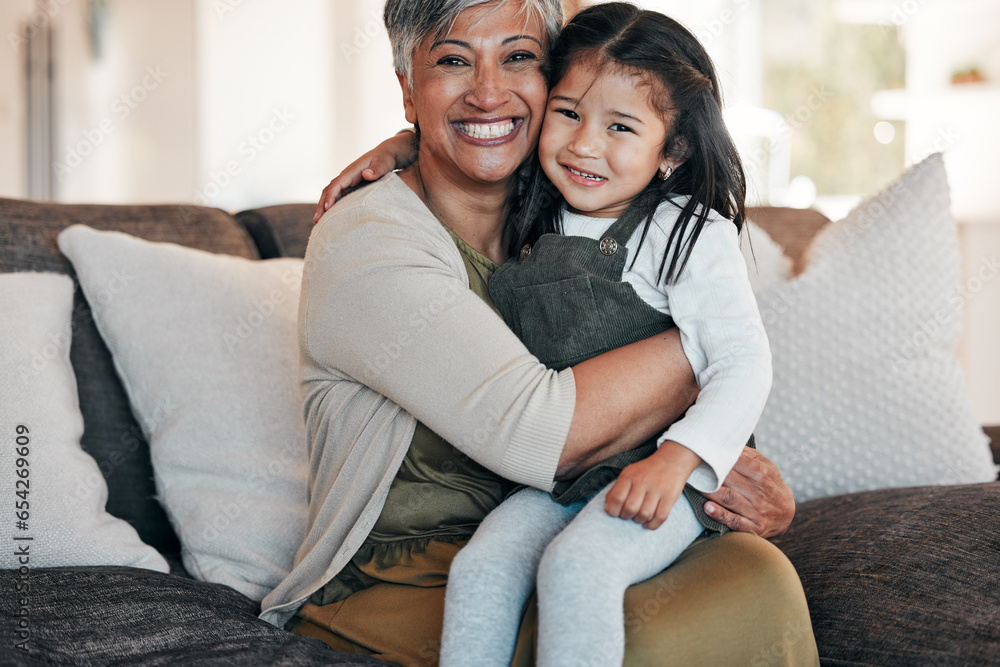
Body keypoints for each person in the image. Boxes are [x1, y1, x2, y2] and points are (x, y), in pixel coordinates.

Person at [269, 1, 818, 665]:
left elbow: (554, 115)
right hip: (398, 578)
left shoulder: (557, 200)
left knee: (757, 578)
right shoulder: (369, 240)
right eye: (451, 61)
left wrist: (707, 453)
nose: (490, 90)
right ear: (407, 89)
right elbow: (543, 431)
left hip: (568, 514)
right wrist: (707, 395)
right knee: (643, 632)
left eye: (519, 58)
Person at [437, 4, 771, 665]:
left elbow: (744, 362)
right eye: (568, 113)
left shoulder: (689, 230)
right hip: (560, 475)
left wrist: (678, 459)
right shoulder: (532, 199)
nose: (585, 144)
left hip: (669, 472)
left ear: (672, 149)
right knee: (480, 567)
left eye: (620, 126)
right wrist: (392, 148)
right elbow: (451, 144)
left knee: (578, 565)